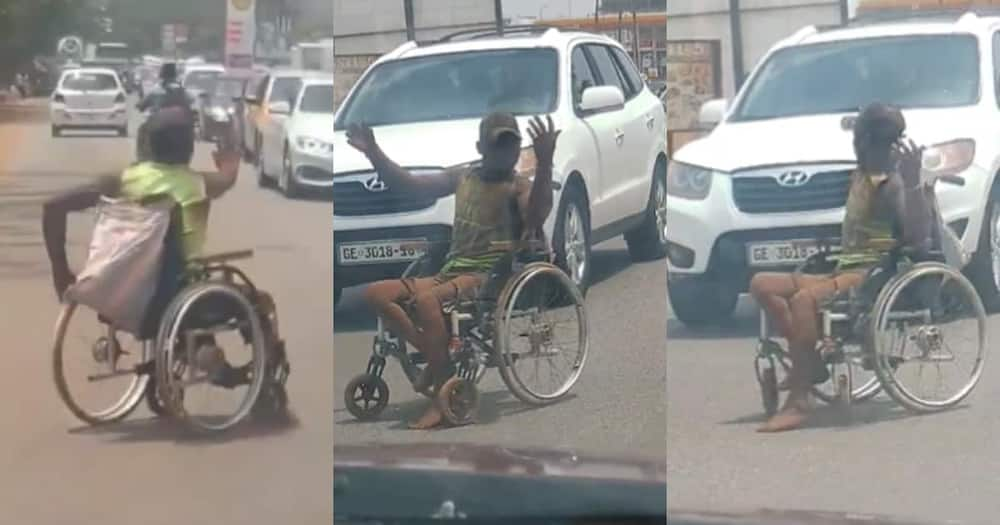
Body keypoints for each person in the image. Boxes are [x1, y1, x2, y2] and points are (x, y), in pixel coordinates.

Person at [346, 112, 561, 429]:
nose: (506, 153)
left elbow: (537, 215)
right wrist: (374, 153)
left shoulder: (518, 186)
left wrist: (545, 163)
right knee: (376, 294)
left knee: (426, 302)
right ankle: (437, 358)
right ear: (480, 147)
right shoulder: (463, 177)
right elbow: (412, 186)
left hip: (487, 276)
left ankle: (441, 385)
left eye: (511, 145)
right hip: (450, 271)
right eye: (497, 145)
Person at [42, 107, 268, 387]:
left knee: (182, 289)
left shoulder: (122, 180)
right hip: (173, 296)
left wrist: (60, 271)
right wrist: (230, 158)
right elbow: (228, 178)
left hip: (120, 292)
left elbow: (53, 207)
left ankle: (198, 356)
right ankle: (262, 377)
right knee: (258, 301)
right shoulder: (196, 183)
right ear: (187, 148)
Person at [749, 103, 934, 433]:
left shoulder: (893, 185)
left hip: (869, 274)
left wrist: (914, 184)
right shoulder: (861, 177)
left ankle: (800, 401)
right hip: (841, 269)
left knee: (804, 300)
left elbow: (918, 238)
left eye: (858, 137)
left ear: (865, 141)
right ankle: (812, 362)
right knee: (761, 283)